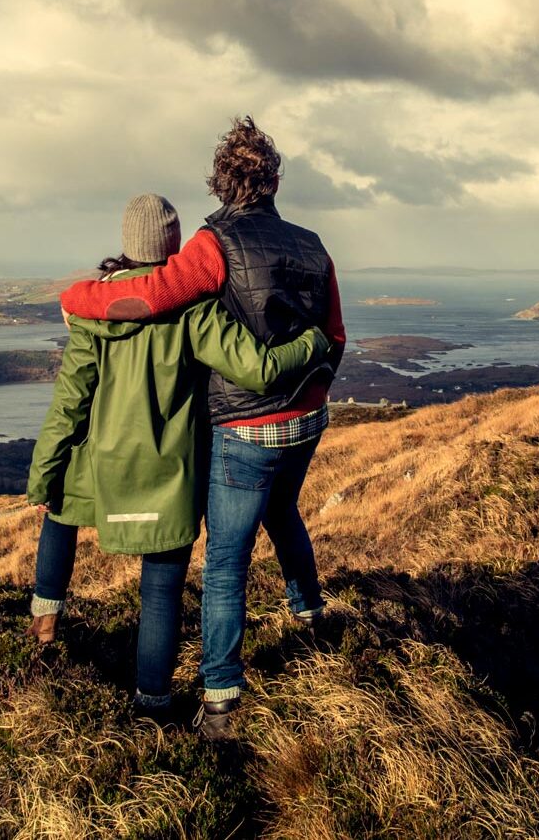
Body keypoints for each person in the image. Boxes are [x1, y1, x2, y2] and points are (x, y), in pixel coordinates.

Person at [58, 119, 344, 739]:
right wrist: (311, 392)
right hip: (308, 418)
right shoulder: (314, 244)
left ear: (222, 182)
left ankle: (220, 698)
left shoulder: (214, 245)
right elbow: (335, 333)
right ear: (271, 180)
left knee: (224, 564)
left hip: (246, 428)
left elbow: (153, 295)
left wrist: (79, 297)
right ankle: (310, 612)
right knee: (285, 512)